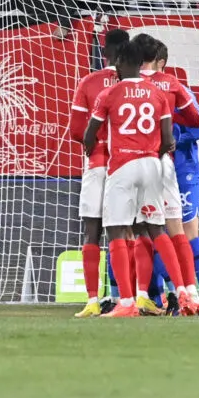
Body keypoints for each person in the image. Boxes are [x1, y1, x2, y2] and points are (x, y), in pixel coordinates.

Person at [82, 42, 189, 318]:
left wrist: (95, 147)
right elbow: (169, 140)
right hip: (153, 165)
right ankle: (184, 291)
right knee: (155, 229)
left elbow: (88, 134)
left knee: (116, 230)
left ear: (121, 63)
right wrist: (153, 154)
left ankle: (127, 302)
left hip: (123, 165)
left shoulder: (110, 92)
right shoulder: (158, 93)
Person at [133, 34, 199, 314]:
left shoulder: (165, 88)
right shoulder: (163, 86)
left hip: (177, 168)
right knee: (157, 232)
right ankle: (165, 294)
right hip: (161, 165)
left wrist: (174, 131)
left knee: (178, 232)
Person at [67, 28, 129, 317]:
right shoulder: (135, 84)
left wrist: (92, 145)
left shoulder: (89, 82)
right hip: (127, 165)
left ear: (103, 52)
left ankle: (92, 300)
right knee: (126, 232)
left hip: (97, 164)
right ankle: (128, 297)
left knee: (92, 231)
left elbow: (77, 130)